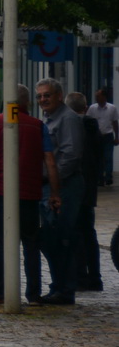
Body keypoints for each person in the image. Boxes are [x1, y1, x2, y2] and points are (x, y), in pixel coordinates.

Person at [0, 86, 54, 304]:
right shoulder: (38, 126)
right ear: (27, 102)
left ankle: (3, 292)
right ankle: (34, 294)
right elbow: (50, 161)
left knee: (2, 241)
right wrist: (55, 191)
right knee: (31, 242)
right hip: (30, 191)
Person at [36, 78, 85, 305]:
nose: (43, 100)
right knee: (50, 238)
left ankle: (65, 289)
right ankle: (59, 286)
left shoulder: (68, 119)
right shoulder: (48, 119)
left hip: (64, 186)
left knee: (61, 237)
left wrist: (52, 178)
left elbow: (71, 155)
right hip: (50, 186)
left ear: (58, 95)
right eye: (39, 96)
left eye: (47, 95)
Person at [66, 93, 103, 293]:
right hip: (89, 188)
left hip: (74, 186)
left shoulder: (72, 127)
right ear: (86, 107)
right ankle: (95, 277)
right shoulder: (93, 127)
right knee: (89, 233)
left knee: (75, 233)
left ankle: (80, 276)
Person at [89, 87, 116, 188]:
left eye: (98, 96)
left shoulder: (112, 108)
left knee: (108, 157)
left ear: (104, 97)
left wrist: (117, 136)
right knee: (98, 158)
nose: (96, 98)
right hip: (97, 136)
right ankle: (100, 178)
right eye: (96, 96)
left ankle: (108, 177)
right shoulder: (92, 108)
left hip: (108, 135)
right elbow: (88, 121)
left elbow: (115, 122)